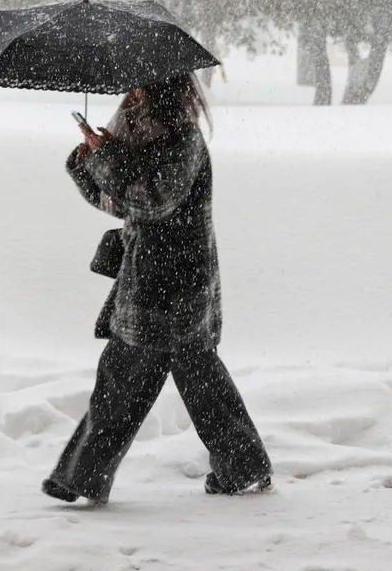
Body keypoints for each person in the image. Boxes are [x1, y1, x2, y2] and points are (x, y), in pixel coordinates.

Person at [42, 73, 273, 505]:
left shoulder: (182, 140)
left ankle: (82, 476)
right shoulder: (143, 135)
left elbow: (153, 202)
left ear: (159, 90)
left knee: (125, 381)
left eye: (139, 87)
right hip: (153, 283)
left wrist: (107, 157)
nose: (130, 94)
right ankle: (243, 468)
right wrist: (89, 158)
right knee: (191, 384)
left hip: (174, 289)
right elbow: (120, 202)